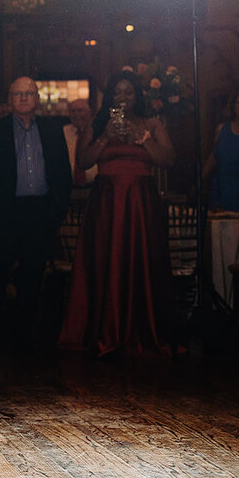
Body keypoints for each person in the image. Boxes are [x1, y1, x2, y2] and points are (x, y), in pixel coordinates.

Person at [58, 70, 177, 358]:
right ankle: (103, 330)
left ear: (138, 96)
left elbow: (169, 160)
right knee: (104, 262)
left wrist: (143, 139)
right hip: (106, 204)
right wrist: (104, 138)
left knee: (141, 262)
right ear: (110, 96)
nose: (123, 98)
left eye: (128, 92)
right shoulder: (98, 123)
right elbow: (84, 162)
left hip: (140, 204)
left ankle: (142, 331)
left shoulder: (152, 123)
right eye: (117, 93)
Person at [0, 76, 72, 346]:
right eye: (18, 94)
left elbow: (63, 174)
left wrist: (55, 213)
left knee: (32, 278)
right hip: (4, 213)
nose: (24, 98)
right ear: (10, 99)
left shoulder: (52, 130)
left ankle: (25, 342)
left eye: (29, 93)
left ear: (37, 98)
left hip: (39, 213)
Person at [203, 92, 239, 212]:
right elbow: (214, 156)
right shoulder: (221, 129)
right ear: (233, 106)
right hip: (220, 186)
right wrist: (201, 179)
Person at [63, 98, 98, 190]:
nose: (76, 114)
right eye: (72, 111)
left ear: (89, 112)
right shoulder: (63, 133)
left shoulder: (99, 132)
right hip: (69, 188)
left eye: (80, 110)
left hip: (95, 187)